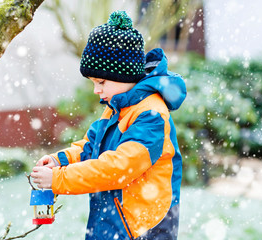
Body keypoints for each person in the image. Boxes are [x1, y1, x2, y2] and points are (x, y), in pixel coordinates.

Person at [31, 10, 186, 240]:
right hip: (112, 223)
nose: (96, 90)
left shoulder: (151, 115)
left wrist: (58, 180)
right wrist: (58, 161)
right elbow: (89, 147)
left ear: (124, 75)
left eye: (101, 82)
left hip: (142, 229)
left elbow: (118, 168)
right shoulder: (116, 107)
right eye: (93, 82)